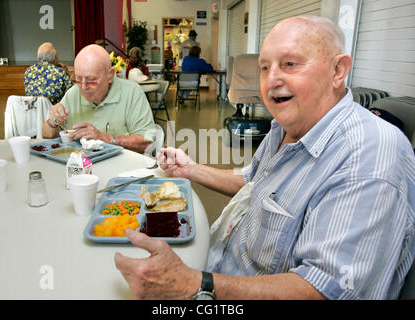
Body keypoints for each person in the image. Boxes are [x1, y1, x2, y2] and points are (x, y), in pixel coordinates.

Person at [114, 15, 415, 300]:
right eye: (265, 67)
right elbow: (254, 182)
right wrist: (191, 169)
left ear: (338, 70)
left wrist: (194, 284)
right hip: (220, 268)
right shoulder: (287, 126)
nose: (272, 80)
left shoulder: (370, 158)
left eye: (290, 64)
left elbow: (328, 289)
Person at [42, 44, 155, 154]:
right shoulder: (74, 93)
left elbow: (148, 143)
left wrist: (105, 138)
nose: (84, 87)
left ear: (110, 75)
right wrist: (53, 121)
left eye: (91, 80)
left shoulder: (132, 92)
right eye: (79, 79)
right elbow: (46, 134)